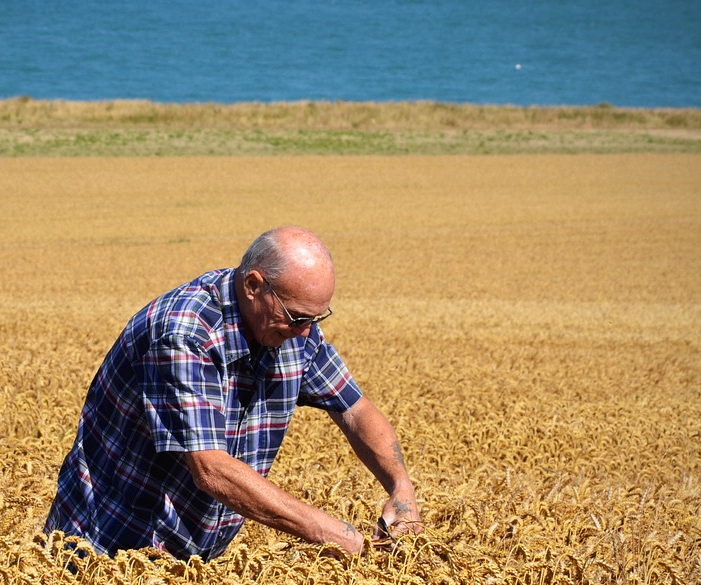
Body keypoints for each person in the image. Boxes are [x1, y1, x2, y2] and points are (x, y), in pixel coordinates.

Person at [43, 226, 421, 561]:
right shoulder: (186, 333)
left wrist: (401, 489)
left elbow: (354, 410)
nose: (307, 333)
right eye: (297, 318)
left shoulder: (293, 331)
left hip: (188, 561)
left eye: (317, 319)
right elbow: (210, 468)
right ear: (253, 286)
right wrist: (332, 534)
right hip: (102, 547)